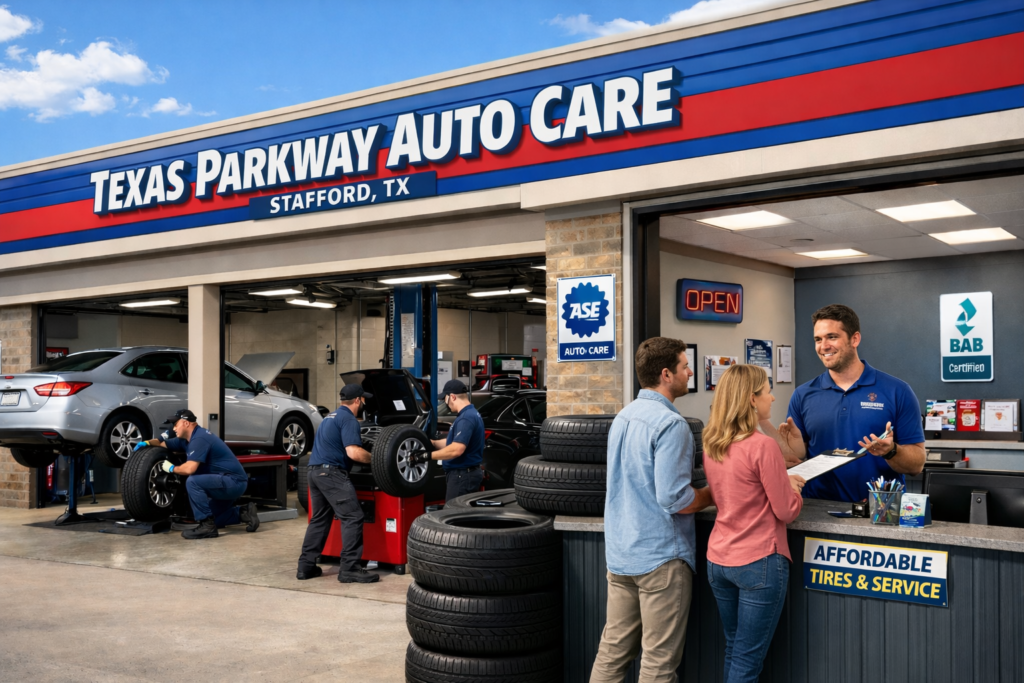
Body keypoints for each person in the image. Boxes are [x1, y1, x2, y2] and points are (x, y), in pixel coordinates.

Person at [590, 337, 714, 683]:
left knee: (612, 654)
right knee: (658, 666)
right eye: (684, 366)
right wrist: (712, 493)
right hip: (661, 560)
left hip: (621, 556)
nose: (690, 372)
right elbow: (675, 499)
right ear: (666, 374)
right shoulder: (671, 425)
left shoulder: (624, 417)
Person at [703, 364, 805, 683]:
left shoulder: (712, 443)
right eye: (767, 391)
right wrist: (794, 489)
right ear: (751, 399)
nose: (772, 398)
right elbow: (786, 511)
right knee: (747, 663)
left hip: (718, 560)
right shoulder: (762, 446)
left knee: (735, 650)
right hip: (758, 562)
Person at [763, 304, 926, 502]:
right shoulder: (803, 394)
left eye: (832, 337)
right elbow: (795, 457)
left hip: (879, 510)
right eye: (818, 339)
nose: (823, 346)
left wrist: (891, 451)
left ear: (855, 339)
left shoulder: (897, 391)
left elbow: (916, 465)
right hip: (815, 509)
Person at [296, 384, 379, 583]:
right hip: (332, 474)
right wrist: (378, 458)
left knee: (319, 519)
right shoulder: (349, 419)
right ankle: (350, 568)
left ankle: (305, 567)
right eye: (363, 399)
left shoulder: (329, 418)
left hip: (314, 472)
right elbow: (354, 452)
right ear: (358, 400)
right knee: (353, 516)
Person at [137, 409, 259, 539]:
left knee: (193, 481)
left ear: (186, 423)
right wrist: (147, 443)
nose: (174, 428)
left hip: (233, 482)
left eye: (175, 424)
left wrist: (172, 468)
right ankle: (244, 513)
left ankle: (207, 527)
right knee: (215, 518)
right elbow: (162, 443)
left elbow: (190, 469)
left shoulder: (199, 439)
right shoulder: (187, 440)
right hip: (225, 482)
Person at [412, 379, 484, 503]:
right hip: (465, 475)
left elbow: (456, 449)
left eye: (445, 398)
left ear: (452, 397)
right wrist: (432, 443)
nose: (446, 403)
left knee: (454, 517)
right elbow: (453, 442)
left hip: (462, 476)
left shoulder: (465, 418)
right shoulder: (471, 414)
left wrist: (426, 456)